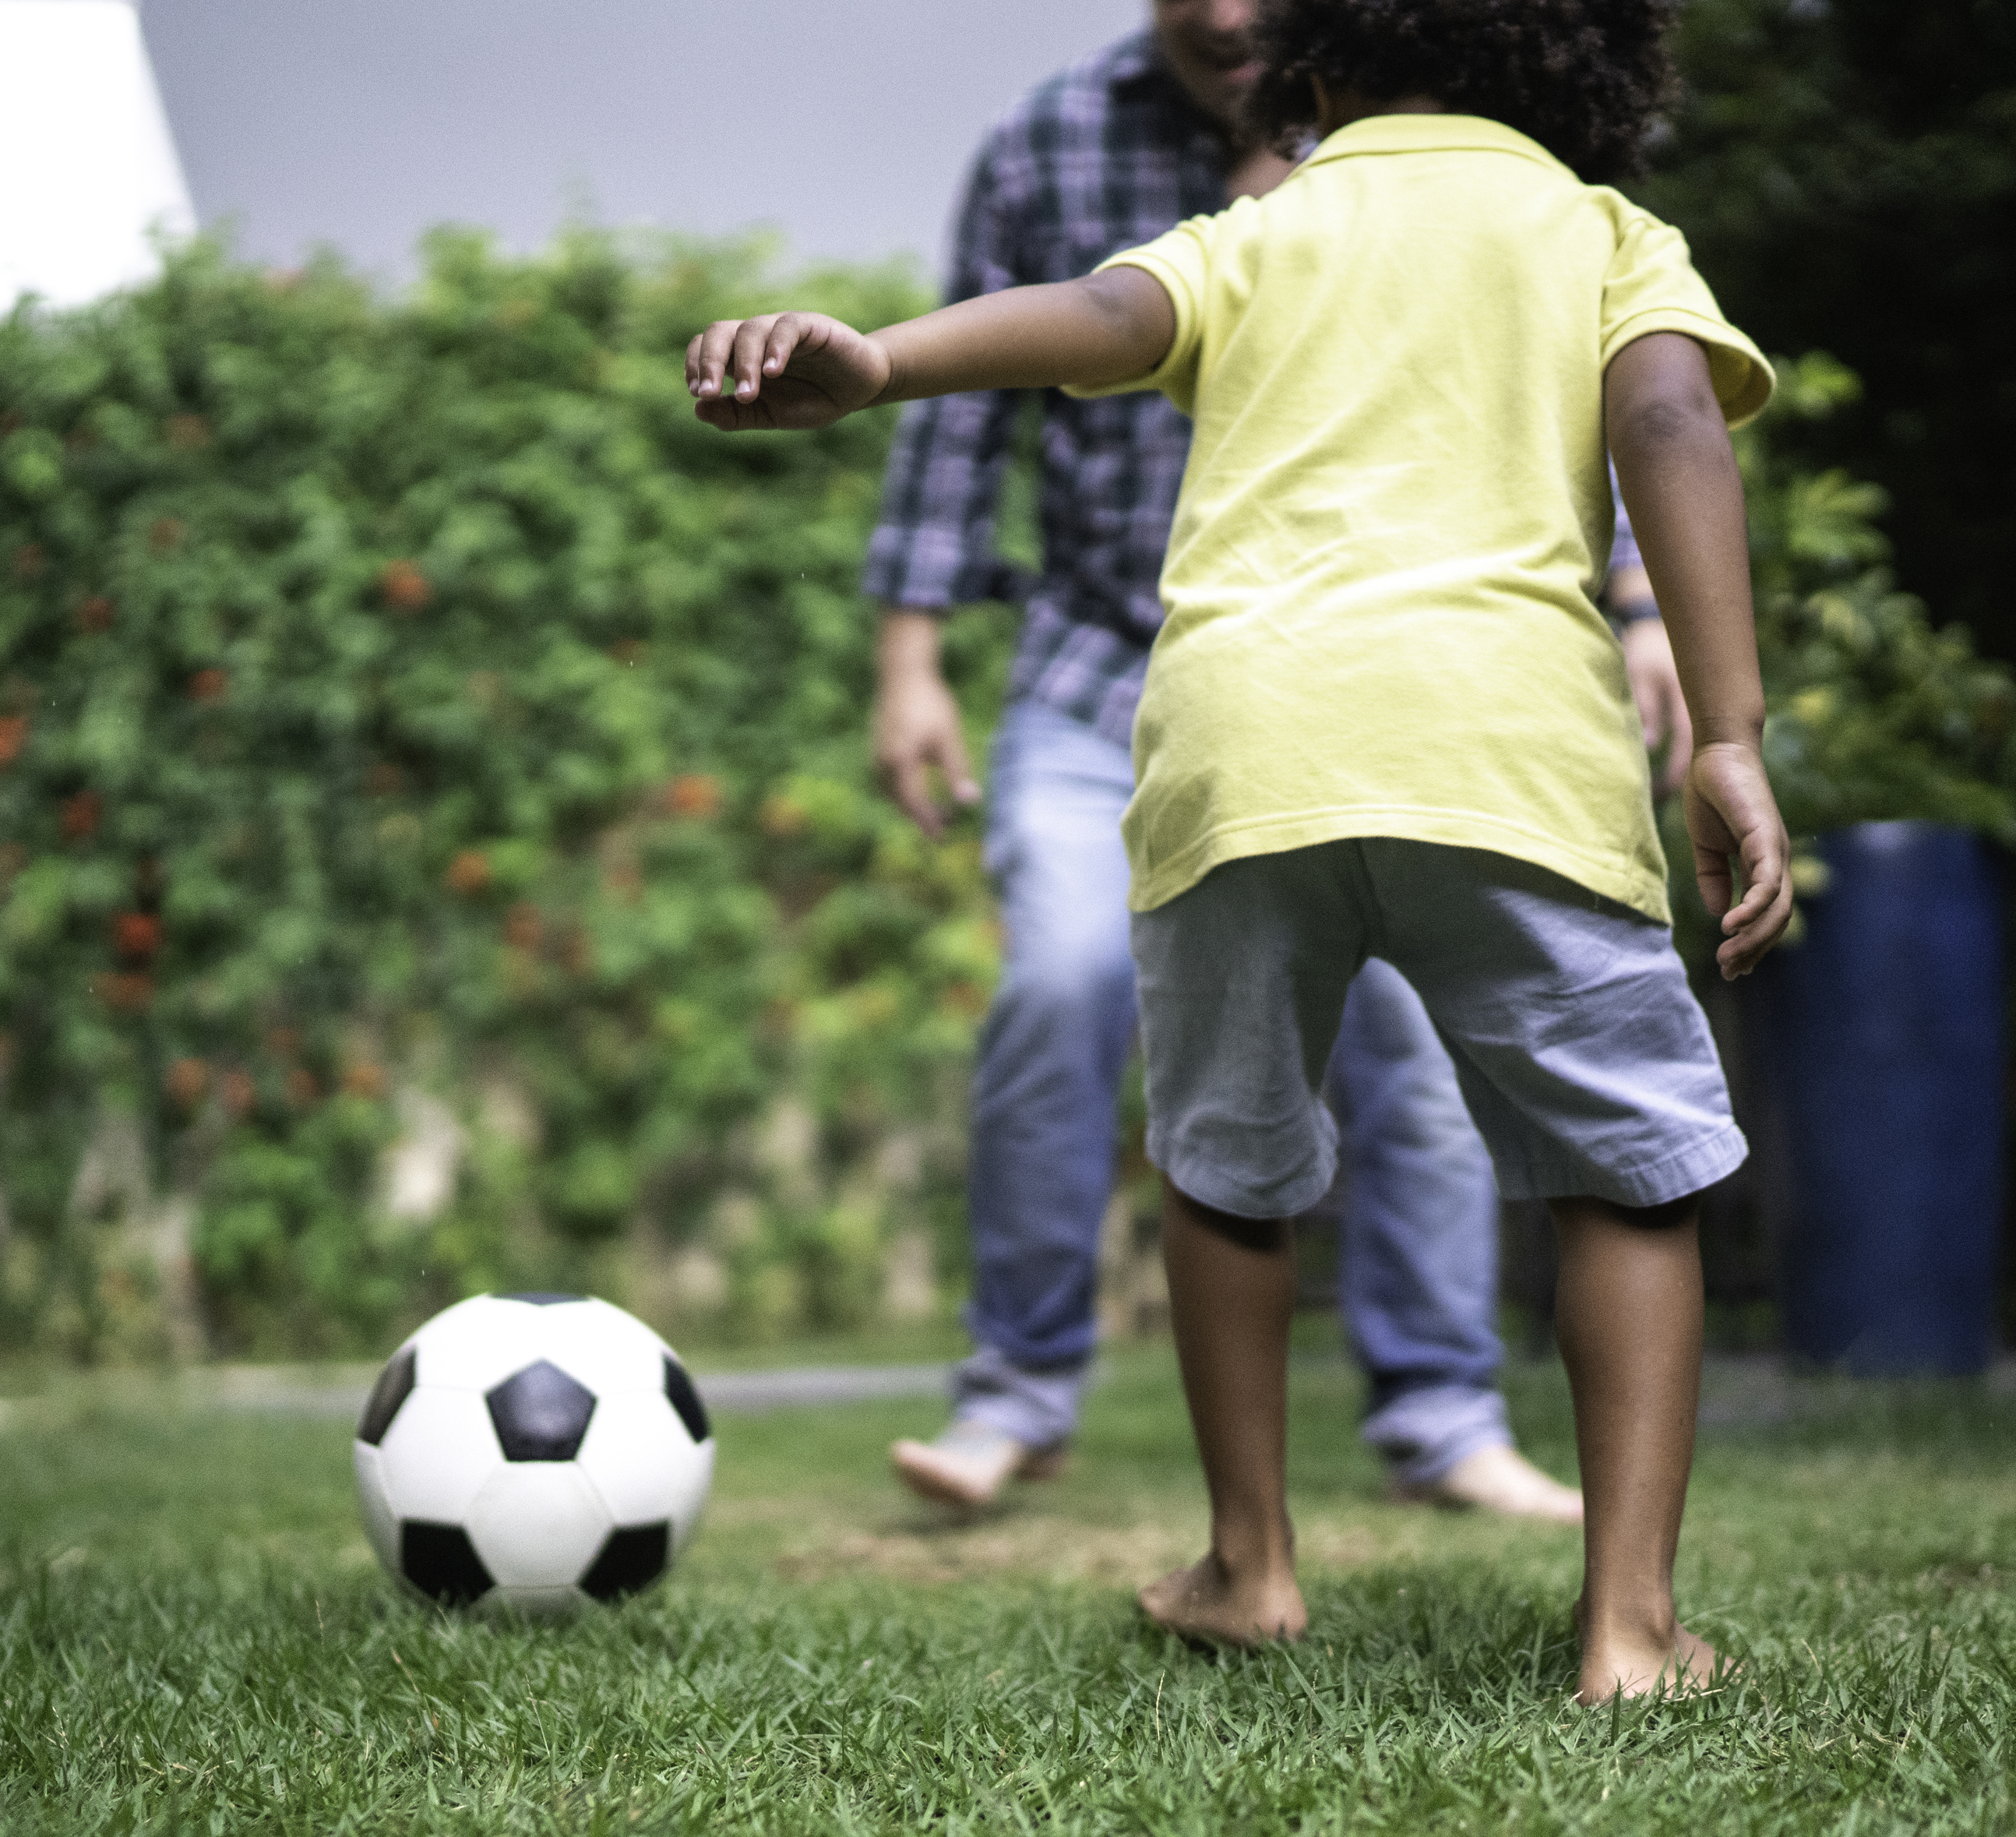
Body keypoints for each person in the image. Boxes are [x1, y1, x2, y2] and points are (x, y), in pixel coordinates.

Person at [684, 0, 1792, 1699]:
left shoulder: (1267, 227)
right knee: (1624, 1172)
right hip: (1501, 754)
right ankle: (1630, 1630)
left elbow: (1106, 318)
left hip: (1239, 747)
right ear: (1585, 71)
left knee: (1228, 1166)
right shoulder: (1603, 234)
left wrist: (887, 357)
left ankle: (1248, 1561)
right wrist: (1724, 732)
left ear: (1319, 65)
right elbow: (1669, 430)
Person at [862, 0, 1630, 1522]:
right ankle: (1016, 1391)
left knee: (1406, 1031)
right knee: (1064, 981)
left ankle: (1442, 1407)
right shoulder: (1053, 139)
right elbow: (970, 427)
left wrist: (1649, 613)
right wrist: (909, 657)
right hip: (1103, 670)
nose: (1223, 10)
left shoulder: (1437, 144)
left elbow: (1568, 372)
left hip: (1363, 678)